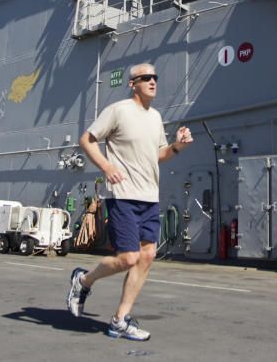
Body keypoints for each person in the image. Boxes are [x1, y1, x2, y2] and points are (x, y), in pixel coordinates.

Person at [66, 63, 193, 341]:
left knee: (147, 256)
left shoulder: (156, 117)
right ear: (132, 83)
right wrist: (105, 166)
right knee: (129, 257)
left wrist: (176, 147)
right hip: (123, 195)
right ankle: (83, 280)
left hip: (150, 197)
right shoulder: (119, 110)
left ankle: (120, 320)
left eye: (155, 77)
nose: (152, 81)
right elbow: (87, 140)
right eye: (146, 77)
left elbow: (157, 155)